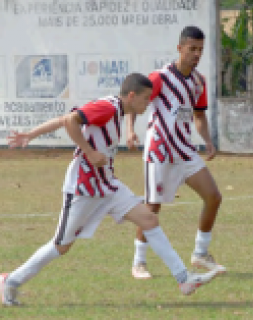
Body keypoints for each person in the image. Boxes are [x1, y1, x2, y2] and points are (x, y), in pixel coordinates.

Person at [1, 73, 221, 306]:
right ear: (132, 96)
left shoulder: (117, 111)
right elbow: (70, 121)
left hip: (107, 185)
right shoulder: (108, 107)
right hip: (83, 188)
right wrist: (89, 151)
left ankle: (183, 278)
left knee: (149, 220)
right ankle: (10, 282)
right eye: (146, 99)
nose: (148, 104)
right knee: (61, 245)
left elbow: (65, 118)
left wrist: (30, 135)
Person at [126, 26, 225, 279]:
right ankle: (139, 262)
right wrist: (130, 130)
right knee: (152, 207)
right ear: (179, 48)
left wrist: (207, 140)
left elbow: (199, 115)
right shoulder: (160, 78)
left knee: (213, 196)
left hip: (185, 151)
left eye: (200, 50)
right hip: (159, 151)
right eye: (192, 49)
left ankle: (200, 254)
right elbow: (134, 103)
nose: (196, 54)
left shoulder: (198, 81)